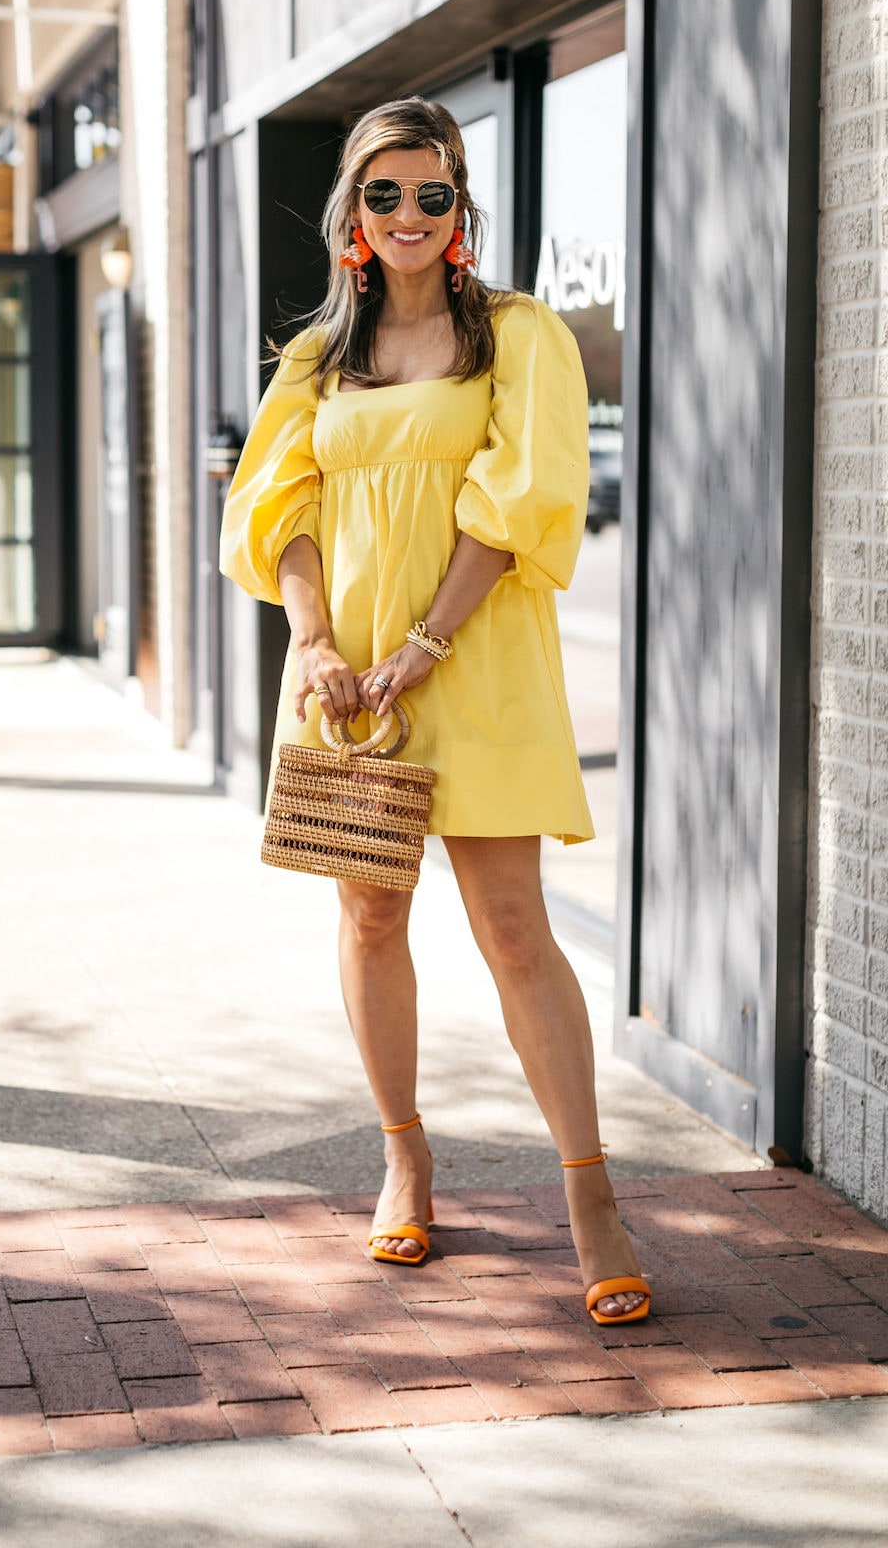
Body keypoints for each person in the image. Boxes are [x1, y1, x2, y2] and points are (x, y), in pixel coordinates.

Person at [219, 96, 650, 1326]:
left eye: (433, 194)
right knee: (368, 914)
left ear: (463, 208)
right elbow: (275, 511)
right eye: (383, 194)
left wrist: (422, 646)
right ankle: (404, 1157)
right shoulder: (315, 357)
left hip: (476, 667)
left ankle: (591, 1199)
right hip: (347, 685)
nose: (408, 215)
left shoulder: (520, 335)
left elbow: (523, 503)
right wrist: (315, 642)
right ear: (353, 213)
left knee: (515, 928)